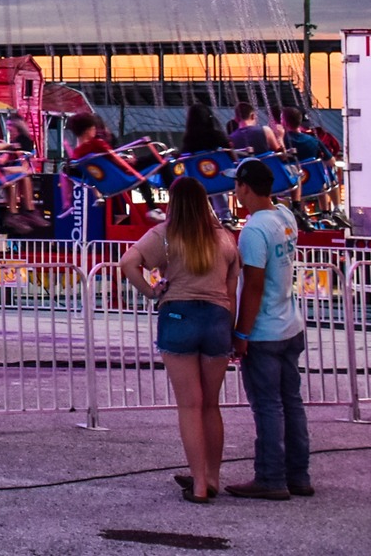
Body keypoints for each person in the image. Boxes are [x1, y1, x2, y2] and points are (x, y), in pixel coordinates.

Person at [119, 176, 240, 502]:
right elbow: (231, 292)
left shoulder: (167, 234)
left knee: (190, 405)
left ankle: (199, 484)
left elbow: (128, 262)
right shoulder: (225, 239)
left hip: (178, 317)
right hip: (217, 320)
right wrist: (231, 331)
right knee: (211, 405)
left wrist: (151, 291)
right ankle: (213, 476)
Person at [226, 158, 309, 500]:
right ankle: (298, 475)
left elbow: (254, 285)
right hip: (290, 323)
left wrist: (241, 334)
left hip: (264, 331)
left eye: (236, 185)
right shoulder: (284, 216)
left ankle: (271, 477)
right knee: (292, 402)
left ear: (245, 187)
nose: (234, 191)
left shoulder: (254, 230)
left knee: (268, 406)